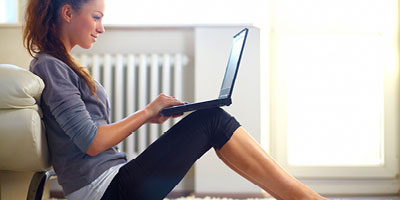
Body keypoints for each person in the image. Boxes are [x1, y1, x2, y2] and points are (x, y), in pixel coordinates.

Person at [23, 0, 327, 199]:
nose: (101, 27)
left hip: (111, 183)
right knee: (213, 120)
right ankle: (305, 198)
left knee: (213, 121)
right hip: (105, 191)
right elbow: (92, 142)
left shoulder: (60, 64)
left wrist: (150, 114)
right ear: (67, 13)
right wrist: (147, 112)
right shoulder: (50, 65)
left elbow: (90, 138)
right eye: (96, 17)